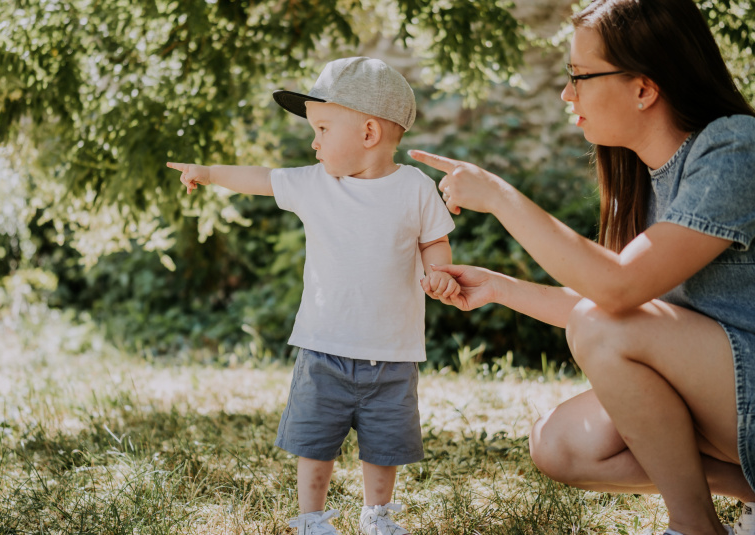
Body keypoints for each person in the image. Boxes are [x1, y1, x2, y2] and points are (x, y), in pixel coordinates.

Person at [409, 0, 755, 534]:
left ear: (644, 88)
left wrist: (500, 196)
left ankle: (693, 528)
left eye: (580, 76)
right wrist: (501, 288)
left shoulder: (732, 148)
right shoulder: (640, 182)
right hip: (728, 398)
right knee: (561, 444)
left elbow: (616, 296)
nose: (567, 94)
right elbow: (629, 314)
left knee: (600, 326)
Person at [167, 57, 460, 535]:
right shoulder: (316, 184)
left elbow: (434, 242)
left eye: (323, 127)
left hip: (392, 350)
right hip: (323, 346)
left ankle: (378, 514)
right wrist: (208, 171)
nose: (314, 140)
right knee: (315, 439)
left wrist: (439, 274)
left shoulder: (414, 188)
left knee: (384, 441)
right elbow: (261, 179)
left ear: (368, 133)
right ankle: (311, 517)